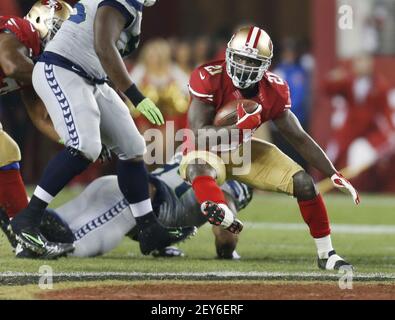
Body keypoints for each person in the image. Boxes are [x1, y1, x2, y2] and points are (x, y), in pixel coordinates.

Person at [10, 0, 190, 258]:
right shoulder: (122, 2)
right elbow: (103, 47)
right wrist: (136, 96)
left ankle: (148, 227)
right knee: (86, 146)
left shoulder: (133, 7)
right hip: (62, 69)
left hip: (91, 78)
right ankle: (28, 219)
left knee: (133, 146)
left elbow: (103, 55)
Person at [180, 26, 360, 270]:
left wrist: (332, 172)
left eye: (251, 61)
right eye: (240, 58)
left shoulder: (273, 89)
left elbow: (298, 136)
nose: (243, 66)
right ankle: (218, 208)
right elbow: (199, 134)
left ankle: (327, 254)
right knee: (197, 165)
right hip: (207, 149)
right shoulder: (208, 76)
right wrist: (235, 129)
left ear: (265, 65)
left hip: (242, 151)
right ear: (229, 54)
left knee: (305, 183)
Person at [0, 155, 250, 260]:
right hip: (132, 204)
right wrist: (228, 253)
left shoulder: (198, 152)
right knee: (68, 246)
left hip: (123, 189)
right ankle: (18, 224)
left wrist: (163, 245)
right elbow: (225, 234)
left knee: (49, 227)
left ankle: (13, 216)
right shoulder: (231, 177)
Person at [0, 1, 72, 221]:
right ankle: (24, 227)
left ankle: (22, 225)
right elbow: (11, 64)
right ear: (42, 21)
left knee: (6, 151)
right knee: (6, 151)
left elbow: (40, 118)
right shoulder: (23, 30)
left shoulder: (33, 60)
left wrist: (74, 139)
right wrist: (55, 78)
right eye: (60, 33)